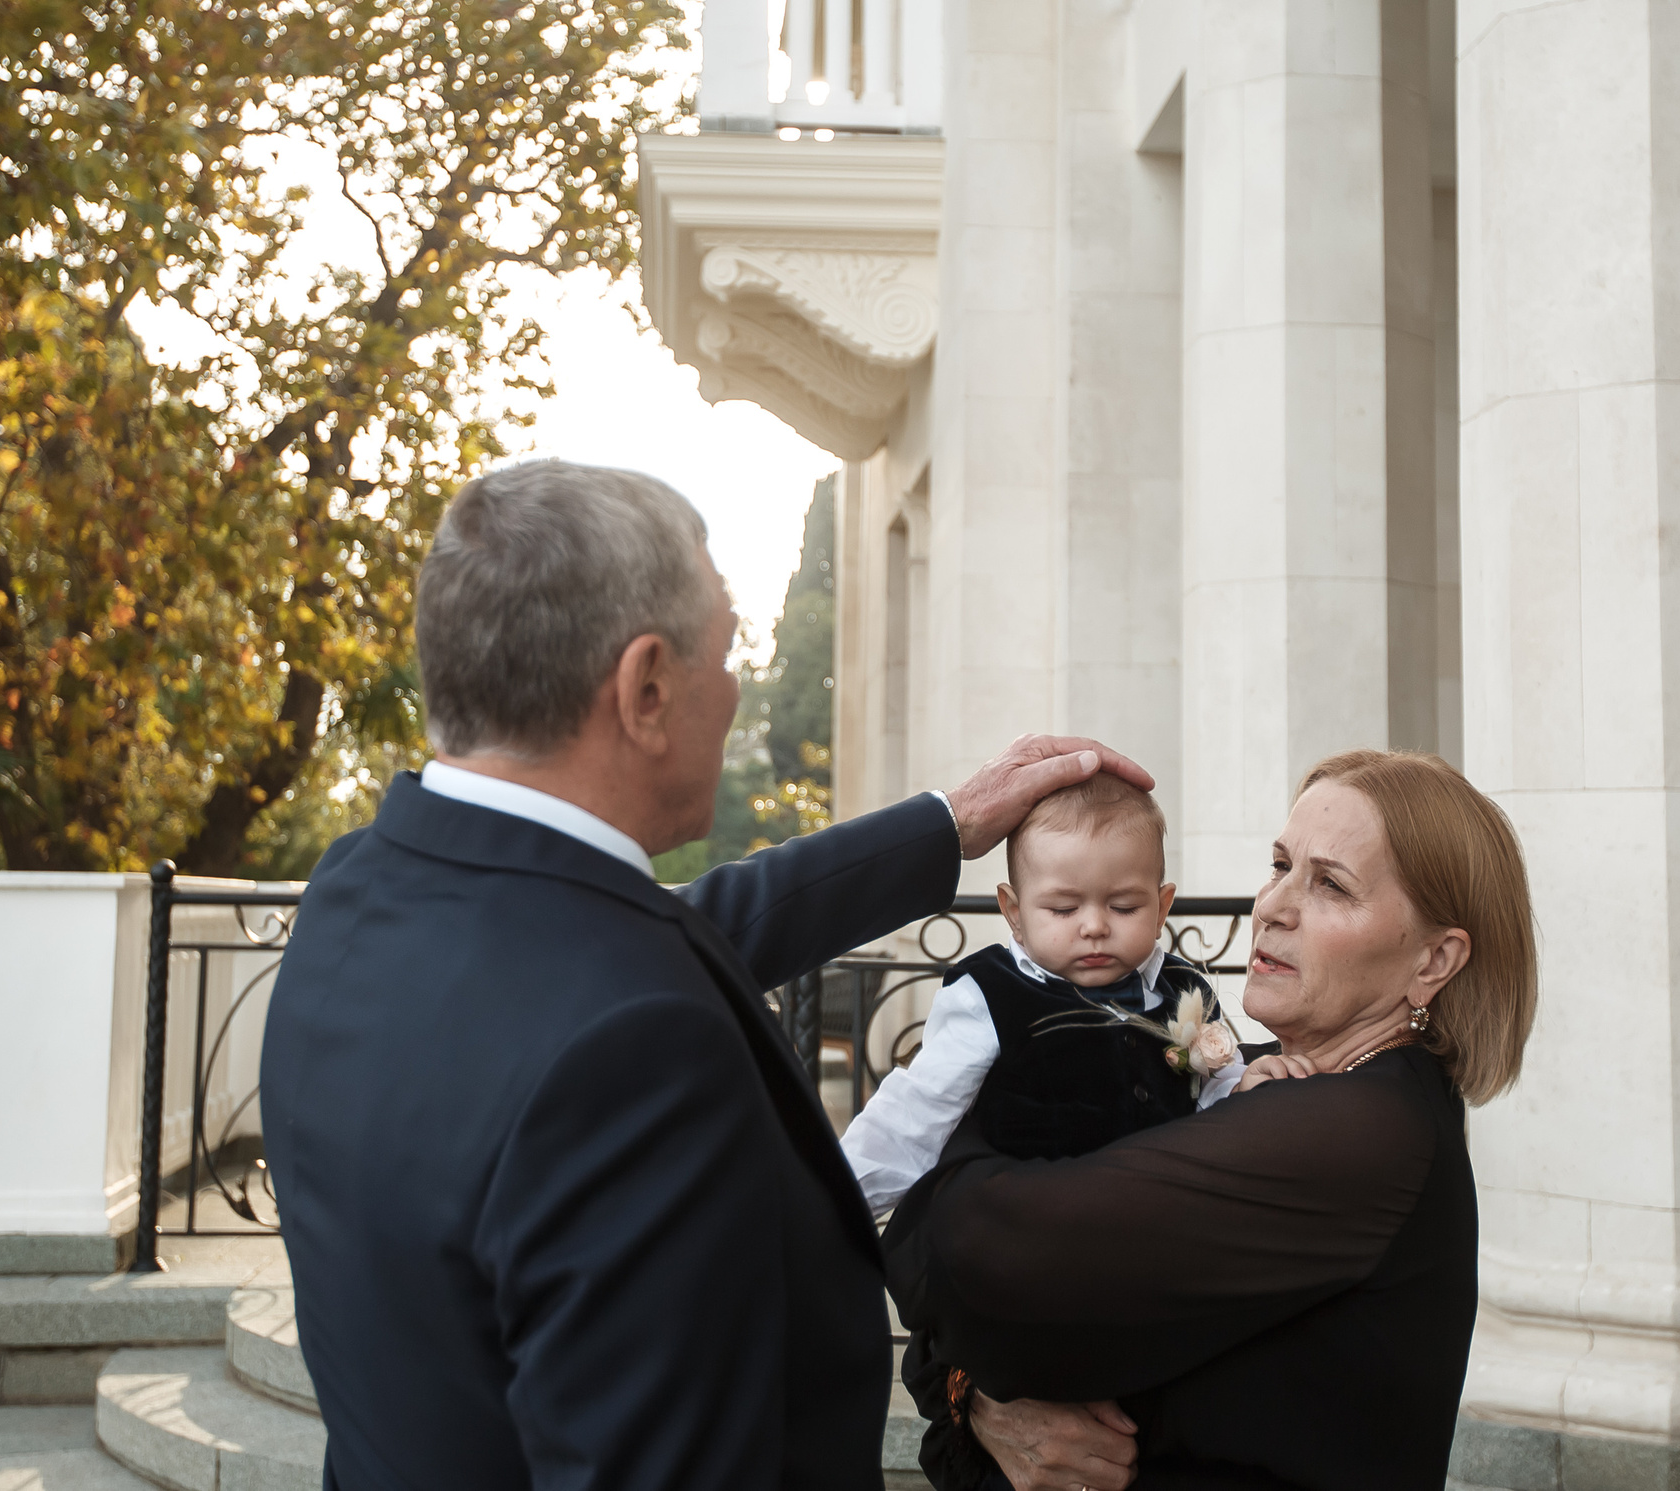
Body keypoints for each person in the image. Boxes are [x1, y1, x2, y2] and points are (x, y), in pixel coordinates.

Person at [259, 459, 1154, 1491]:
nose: (737, 686)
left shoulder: (363, 890)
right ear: (645, 689)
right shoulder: (631, 1052)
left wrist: (941, 828)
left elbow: (649, 934)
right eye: (728, 651)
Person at [884, 749, 1539, 1491]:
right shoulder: (1248, 1075)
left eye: (1330, 884)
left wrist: (934, 1198)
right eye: (1280, 863)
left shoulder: (1361, 1131)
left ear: (1433, 959)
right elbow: (981, 1306)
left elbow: (983, 1256)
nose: (1273, 905)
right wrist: (977, 1399)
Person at [840, 773, 1244, 1221]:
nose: (1094, 926)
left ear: (1162, 908)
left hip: (1162, 1227)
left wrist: (1250, 1088)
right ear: (1015, 913)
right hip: (1032, 1232)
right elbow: (916, 1113)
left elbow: (1220, 1099)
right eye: (1063, 910)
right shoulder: (990, 995)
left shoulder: (1185, 989)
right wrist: (833, 1210)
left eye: (1125, 907)